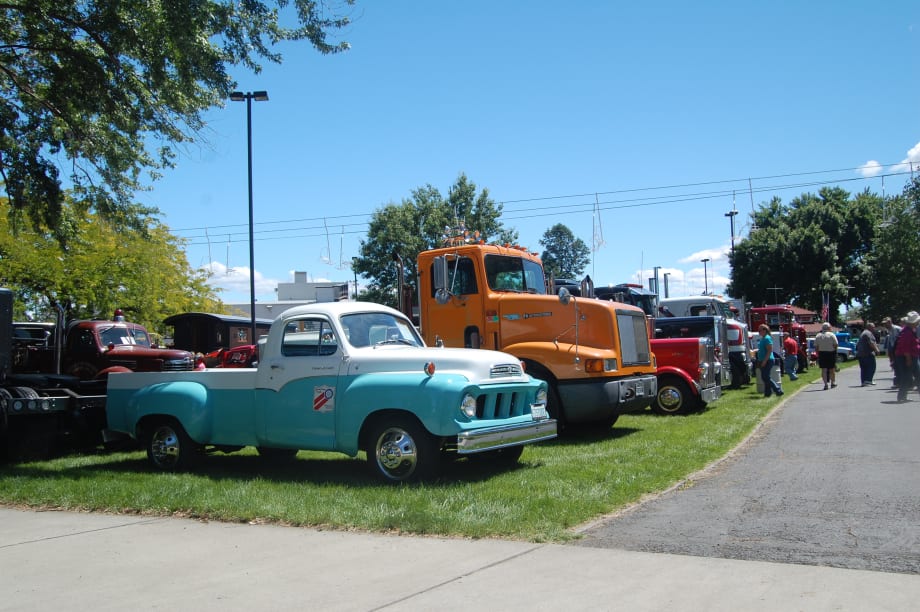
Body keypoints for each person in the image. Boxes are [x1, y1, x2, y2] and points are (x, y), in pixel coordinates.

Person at [894, 311, 920, 403]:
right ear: (913, 322)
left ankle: (902, 396)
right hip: (907, 357)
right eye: (917, 321)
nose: (918, 322)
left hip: (912, 356)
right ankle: (901, 397)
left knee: (918, 376)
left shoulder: (910, 330)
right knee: (906, 377)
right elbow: (905, 347)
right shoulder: (907, 332)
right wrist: (908, 359)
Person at [756, 324, 784, 397]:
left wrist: (764, 361)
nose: (759, 332)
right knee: (765, 377)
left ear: (765, 330)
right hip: (763, 360)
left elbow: (769, 350)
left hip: (768, 360)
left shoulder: (767, 338)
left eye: (760, 330)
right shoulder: (763, 338)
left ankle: (778, 390)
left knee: (765, 377)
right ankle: (768, 393)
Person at [814, 322, 839, 390]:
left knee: (824, 369)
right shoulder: (832, 335)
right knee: (832, 369)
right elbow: (836, 344)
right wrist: (835, 350)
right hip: (831, 353)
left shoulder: (818, 336)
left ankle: (825, 384)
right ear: (829, 328)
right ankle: (833, 382)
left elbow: (816, 346)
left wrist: (818, 353)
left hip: (822, 353)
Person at [856, 322, 880, 386]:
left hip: (861, 354)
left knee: (864, 368)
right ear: (869, 327)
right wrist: (877, 350)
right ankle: (868, 380)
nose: (874, 328)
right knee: (871, 367)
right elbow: (871, 343)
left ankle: (864, 381)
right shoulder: (868, 333)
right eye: (873, 327)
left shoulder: (863, 333)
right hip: (867, 353)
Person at [882, 316, 902, 387]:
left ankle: (901, 382)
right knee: (895, 366)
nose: (884, 325)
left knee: (899, 367)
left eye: (885, 323)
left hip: (899, 351)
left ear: (890, 322)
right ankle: (898, 382)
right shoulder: (889, 330)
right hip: (894, 351)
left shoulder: (897, 329)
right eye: (884, 324)